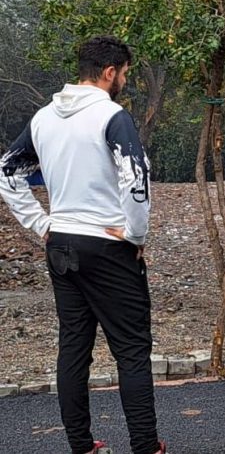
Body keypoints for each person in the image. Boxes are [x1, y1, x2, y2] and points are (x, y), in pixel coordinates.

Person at [0, 36, 165, 454]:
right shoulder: (112, 116)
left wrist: (41, 224)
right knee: (131, 351)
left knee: (73, 347)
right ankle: (146, 447)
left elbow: (7, 172)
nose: (124, 81)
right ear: (109, 72)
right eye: (124, 73)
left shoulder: (43, 119)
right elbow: (136, 179)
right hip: (108, 246)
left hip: (61, 243)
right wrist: (137, 234)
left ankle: (82, 446)